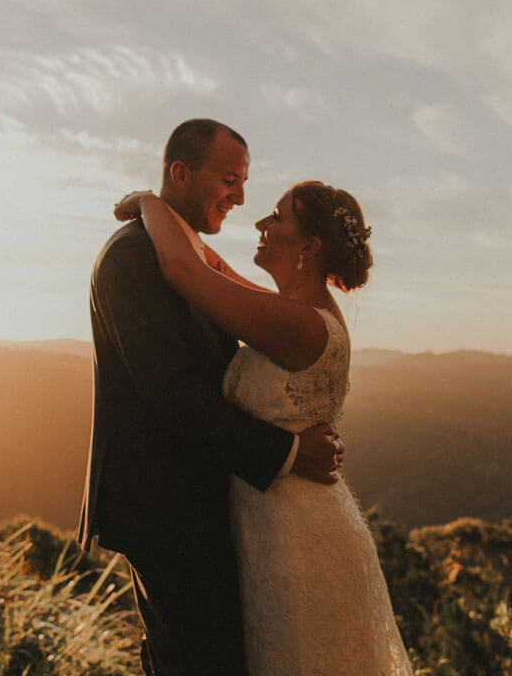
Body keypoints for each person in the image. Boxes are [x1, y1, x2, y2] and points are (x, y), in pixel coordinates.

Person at [115, 177, 414, 676]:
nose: (260, 223)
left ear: (309, 247)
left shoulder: (302, 324)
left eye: (276, 217)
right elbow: (214, 267)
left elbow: (182, 269)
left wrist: (148, 201)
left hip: (296, 537)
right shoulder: (295, 310)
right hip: (275, 520)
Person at [78, 119, 344, 676]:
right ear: (181, 173)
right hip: (166, 503)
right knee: (194, 658)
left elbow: (206, 284)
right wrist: (290, 451)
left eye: (244, 183)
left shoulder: (184, 255)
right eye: (229, 179)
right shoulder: (134, 256)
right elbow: (173, 397)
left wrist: (151, 204)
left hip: (212, 498)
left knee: (207, 656)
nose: (241, 199)